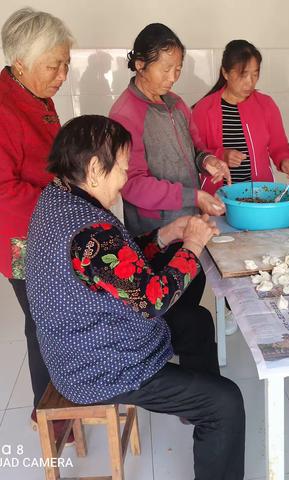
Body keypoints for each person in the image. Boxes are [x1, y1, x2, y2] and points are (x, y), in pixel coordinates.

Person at [25, 115, 246, 480]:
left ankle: (193, 405)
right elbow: (152, 300)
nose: (126, 178)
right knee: (225, 403)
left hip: (82, 342)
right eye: (123, 169)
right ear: (95, 169)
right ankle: (206, 410)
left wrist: (165, 235)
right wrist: (192, 244)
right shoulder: (87, 229)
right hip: (97, 366)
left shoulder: (59, 197)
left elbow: (114, 265)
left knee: (196, 321)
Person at [110, 23, 230, 364]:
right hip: (156, 234)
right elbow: (132, 183)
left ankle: (191, 379)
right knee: (170, 312)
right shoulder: (125, 114)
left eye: (177, 69)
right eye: (166, 69)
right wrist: (192, 196)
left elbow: (195, 148)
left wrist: (208, 161)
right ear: (140, 65)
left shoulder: (176, 104)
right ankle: (167, 375)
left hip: (190, 224)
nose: (173, 78)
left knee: (189, 302)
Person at [0, 7, 73, 437]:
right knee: (41, 319)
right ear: (21, 62)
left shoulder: (33, 94)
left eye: (65, 64)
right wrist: (62, 201)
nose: (62, 75)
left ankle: (56, 400)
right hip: (22, 241)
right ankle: (48, 411)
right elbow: (3, 191)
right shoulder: (3, 106)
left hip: (47, 230)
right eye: (54, 65)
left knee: (49, 316)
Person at [191, 39, 289, 195]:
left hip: (259, 196)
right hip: (217, 197)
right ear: (225, 73)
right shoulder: (204, 109)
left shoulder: (266, 105)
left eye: (255, 74)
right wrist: (222, 155)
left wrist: (285, 162)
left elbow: (279, 146)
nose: (250, 82)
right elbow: (194, 153)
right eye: (243, 75)